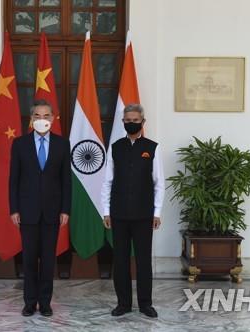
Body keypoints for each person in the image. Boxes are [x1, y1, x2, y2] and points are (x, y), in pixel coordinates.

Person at [101, 103, 165, 318]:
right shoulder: (115, 147)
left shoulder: (152, 147)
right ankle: (123, 304)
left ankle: (146, 304)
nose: (131, 124)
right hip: (118, 215)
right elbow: (107, 181)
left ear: (143, 122)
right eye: (128, 121)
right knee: (120, 260)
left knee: (143, 260)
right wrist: (105, 210)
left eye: (135, 121)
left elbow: (159, 183)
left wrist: (156, 212)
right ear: (123, 122)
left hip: (144, 215)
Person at [9, 99, 71, 317]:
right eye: (37, 116)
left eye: (46, 116)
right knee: (28, 259)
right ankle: (29, 302)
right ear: (31, 119)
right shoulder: (19, 144)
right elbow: (13, 180)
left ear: (52, 119)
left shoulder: (63, 144)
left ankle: (45, 302)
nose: (42, 120)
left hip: (53, 212)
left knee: (47, 260)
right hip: (27, 211)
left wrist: (65, 210)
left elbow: (66, 181)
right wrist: (14, 209)